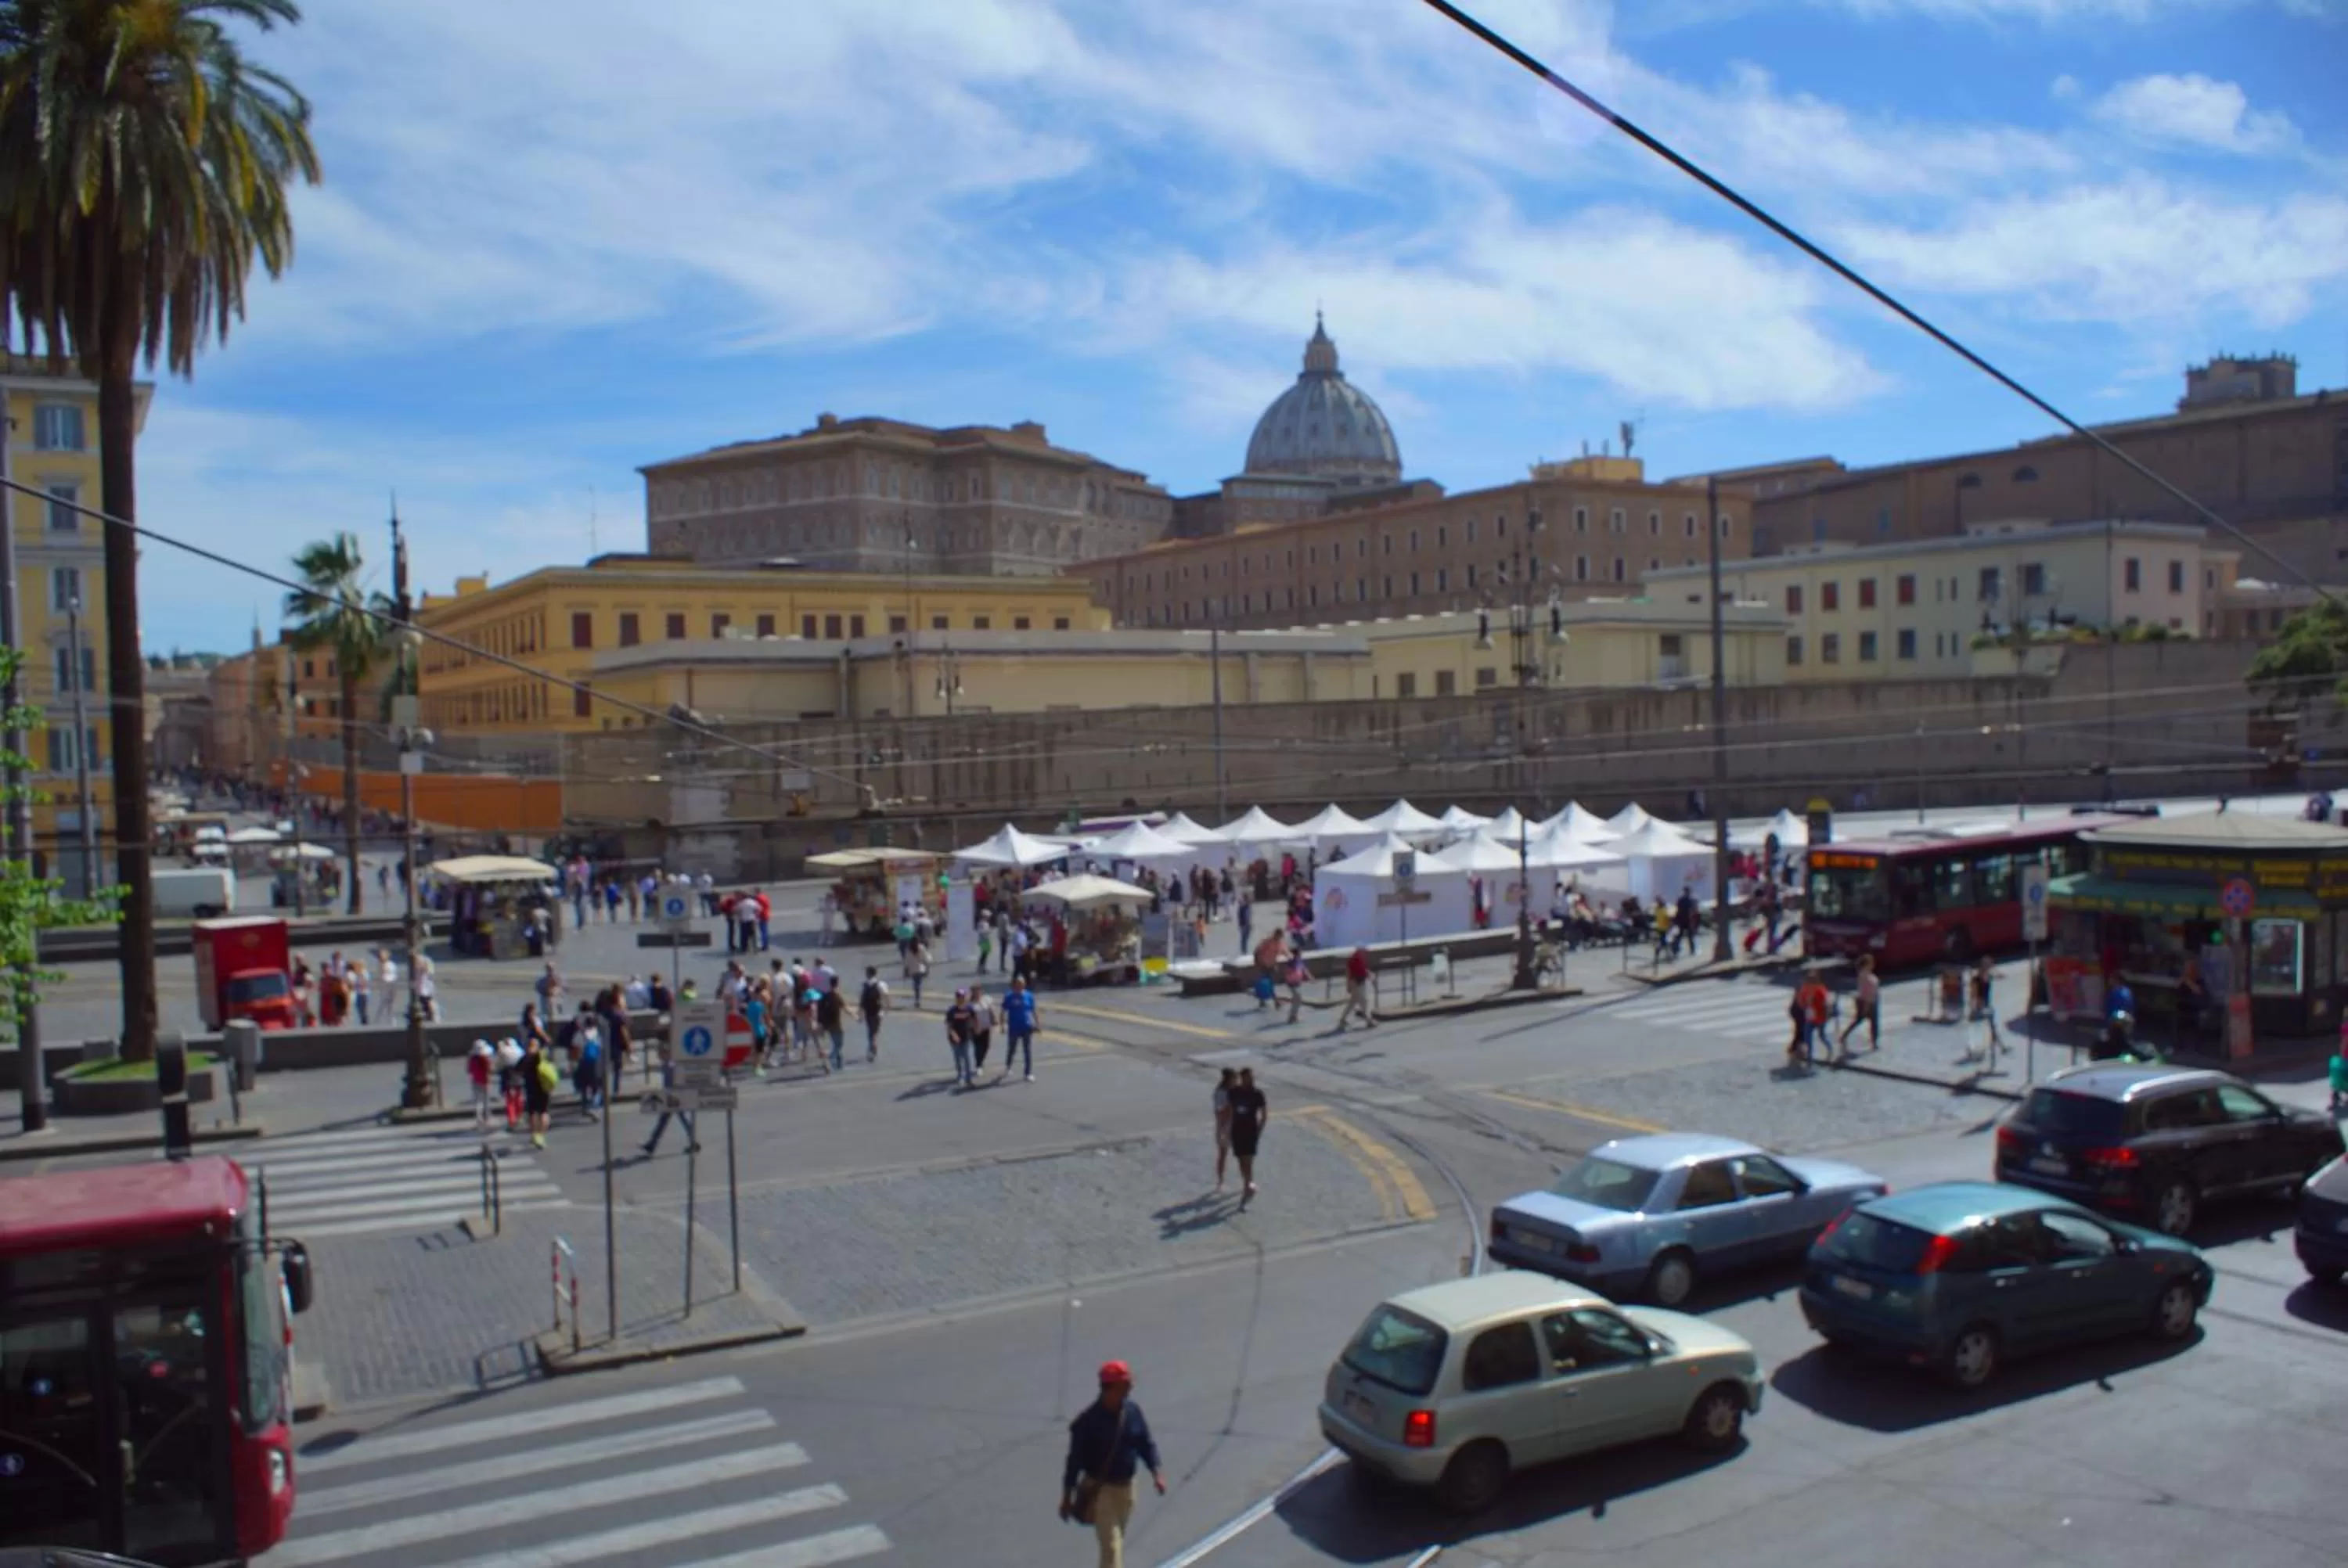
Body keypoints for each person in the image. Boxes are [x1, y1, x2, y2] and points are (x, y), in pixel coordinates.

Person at [1059, 1360, 1165, 1568]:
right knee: (1112, 1546)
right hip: (1102, 1491)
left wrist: (1157, 1473)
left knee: (1116, 1542)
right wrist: (1066, 1497)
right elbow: (1074, 1462)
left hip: (1126, 1491)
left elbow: (1145, 1444)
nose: (1130, 1388)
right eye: (1124, 1385)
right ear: (1110, 1388)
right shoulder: (1088, 1422)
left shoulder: (1133, 1412)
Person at [1226, 1067, 1268, 1204]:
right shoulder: (1234, 1093)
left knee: (1248, 1160)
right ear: (1242, 1078)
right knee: (1240, 1160)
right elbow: (1230, 1112)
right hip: (1236, 1131)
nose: (1251, 1080)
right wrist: (1226, 1130)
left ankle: (1247, 1186)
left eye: (1252, 1077)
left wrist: (1259, 1131)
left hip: (1250, 1131)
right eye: (1248, 1078)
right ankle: (1248, 1181)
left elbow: (1264, 1115)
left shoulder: (1257, 1094)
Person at [1838, 955, 1881, 1057]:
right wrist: (1867, 1005)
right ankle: (1873, 1043)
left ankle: (1845, 1036)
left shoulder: (1864, 975)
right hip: (1869, 1002)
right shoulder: (1865, 976)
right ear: (1866, 965)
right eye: (1870, 963)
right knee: (1870, 1022)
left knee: (1865, 1021)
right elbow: (1867, 991)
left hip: (1869, 1000)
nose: (1873, 965)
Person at [1000, 975, 1039, 1082]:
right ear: (1014, 985)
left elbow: (1033, 1010)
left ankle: (1028, 1073)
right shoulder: (1009, 997)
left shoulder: (1029, 996)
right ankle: (1008, 1067)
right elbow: (1003, 1011)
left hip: (1026, 1027)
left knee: (1027, 1050)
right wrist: (1002, 1025)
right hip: (1014, 1027)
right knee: (1012, 1049)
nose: (1020, 986)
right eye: (1018, 984)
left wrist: (1037, 1023)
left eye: (1022, 984)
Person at [1337, 945, 1376, 1030]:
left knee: (1353, 1003)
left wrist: (1369, 974)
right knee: (1364, 1002)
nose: (1365, 953)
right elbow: (1357, 972)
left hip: (1357, 982)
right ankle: (1369, 1021)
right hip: (1357, 983)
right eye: (1364, 951)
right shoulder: (1356, 959)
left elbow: (1362, 970)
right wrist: (1370, 976)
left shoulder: (1356, 958)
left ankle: (1342, 1020)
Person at [945, 988, 977, 1087]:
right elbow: (949, 1026)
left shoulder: (969, 1009)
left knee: (967, 1058)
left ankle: (968, 1079)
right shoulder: (952, 1011)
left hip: (966, 1037)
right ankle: (960, 1076)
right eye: (959, 997)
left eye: (963, 997)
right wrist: (954, 1035)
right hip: (955, 1039)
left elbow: (974, 1019)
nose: (961, 999)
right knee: (958, 1058)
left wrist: (975, 1029)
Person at [1212, 1067, 1237, 1190]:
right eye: (1234, 1079)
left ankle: (1247, 1179)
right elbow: (1219, 1111)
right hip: (1224, 1127)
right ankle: (1220, 1181)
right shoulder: (1220, 1093)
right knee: (1223, 1154)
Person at [816, 979, 848, 1072]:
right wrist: (855, 1016)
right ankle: (831, 1057)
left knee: (835, 1043)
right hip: (837, 1024)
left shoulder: (825, 996)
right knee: (839, 1045)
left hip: (828, 1024)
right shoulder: (837, 996)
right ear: (838, 984)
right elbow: (845, 1008)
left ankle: (839, 1063)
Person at [859, 966, 888, 1063]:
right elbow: (886, 998)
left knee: (870, 1031)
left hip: (868, 1012)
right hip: (878, 1011)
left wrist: (860, 1014)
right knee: (875, 1031)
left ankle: (872, 1048)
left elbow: (862, 1001)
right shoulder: (881, 985)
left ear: (868, 974)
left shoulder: (864, 985)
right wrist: (885, 1010)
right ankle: (873, 1048)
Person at [969, 984, 998, 1077]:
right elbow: (969, 1017)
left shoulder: (987, 999)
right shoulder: (970, 1003)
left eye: (978, 990)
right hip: (975, 1028)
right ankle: (979, 1066)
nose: (977, 992)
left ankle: (981, 1061)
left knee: (986, 1046)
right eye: (975, 991)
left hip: (986, 1026)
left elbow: (992, 1010)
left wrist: (994, 1019)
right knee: (978, 1047)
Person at [466, 1040, 495, 1131]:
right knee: (486, 1100)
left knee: (478, 1101)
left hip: (475, 1080)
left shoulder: (472, 1059)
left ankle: (479, 1119)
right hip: (486, 1081)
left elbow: (469, 1070)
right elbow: (490, 1069)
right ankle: (487, 1117)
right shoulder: (485, 1059)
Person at [906, 937, 932, 1011]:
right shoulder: (921, 947)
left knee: (916, 984)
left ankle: (917, 999)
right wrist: (927, 968)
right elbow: (926, 958)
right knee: (918, 984)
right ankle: (918, 999)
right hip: (921, 968)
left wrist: (906, 970)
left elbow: (907, 961)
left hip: (913, 969)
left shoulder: (908, 949)